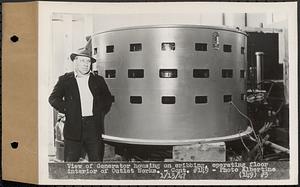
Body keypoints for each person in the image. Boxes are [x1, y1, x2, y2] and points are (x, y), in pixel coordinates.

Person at [49, 47, 113, 162]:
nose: (85, 64)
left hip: (94, 128)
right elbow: (53, 98)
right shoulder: (65, 79)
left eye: (88, 61)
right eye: (82, 61)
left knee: (96, 163)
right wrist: (67, 109)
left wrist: (99, 112)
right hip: (73, 128)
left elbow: (107, 99)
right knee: (70, 165)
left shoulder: (98, 80)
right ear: (75, 62)